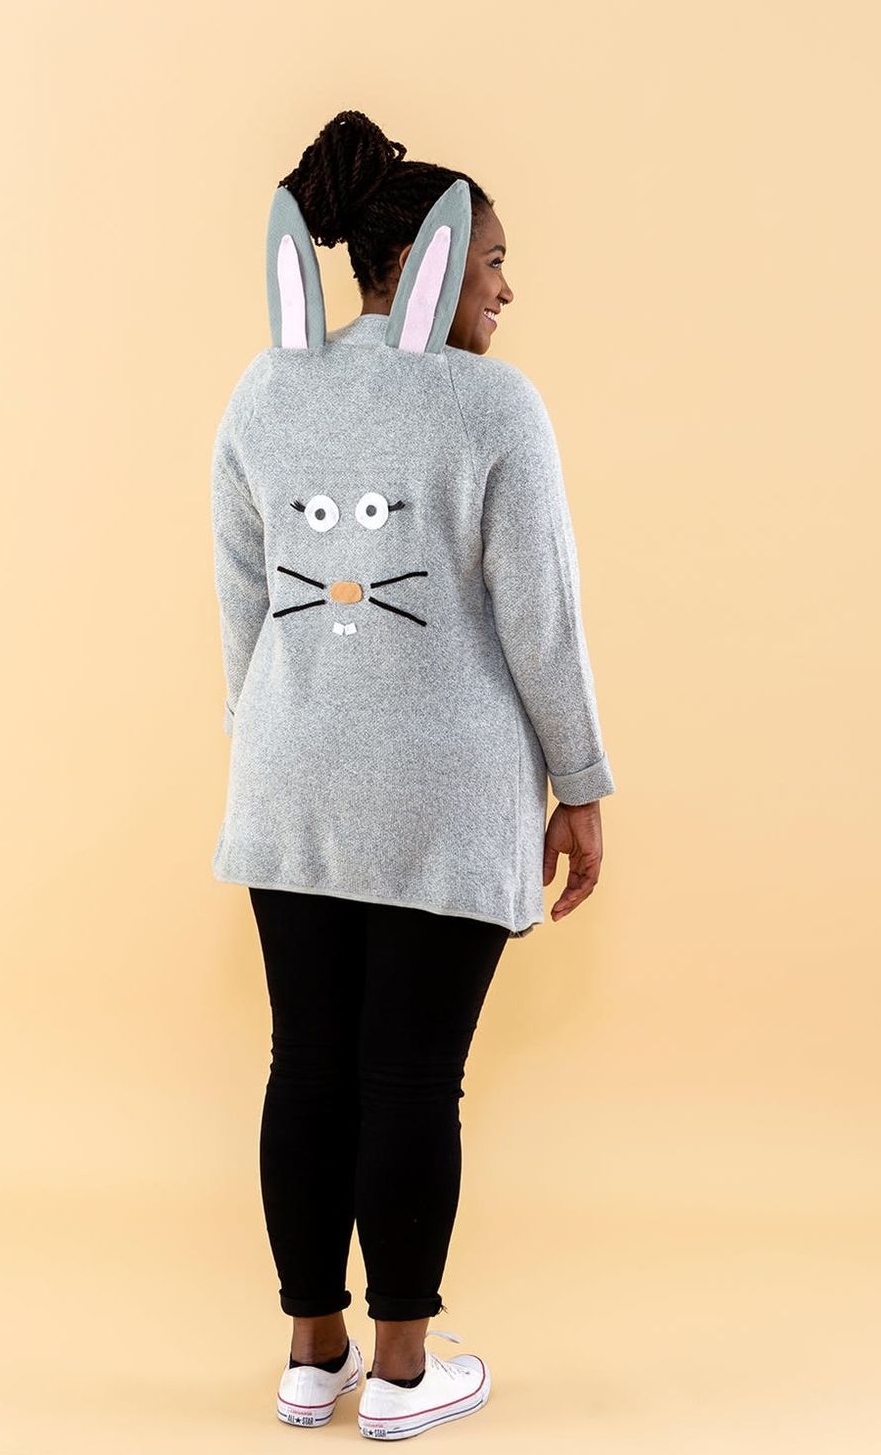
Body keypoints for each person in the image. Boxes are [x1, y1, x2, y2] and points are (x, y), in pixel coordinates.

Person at [209, 109, 616, 1439]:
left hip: (288, 783)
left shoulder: (266, 387)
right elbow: (542, 616)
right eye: (493, 260)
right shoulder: (492, 404)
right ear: (432, 261)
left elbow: (241, 601)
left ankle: (309, 1354)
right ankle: (399, 1372)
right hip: (444, 792)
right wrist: (581, 782)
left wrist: (278, 735)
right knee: (411, 1078)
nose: (506, 288)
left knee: (307, 1065)